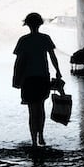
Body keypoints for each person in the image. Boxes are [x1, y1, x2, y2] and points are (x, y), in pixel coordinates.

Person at [12, 12, 62, 147]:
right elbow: (53, 57)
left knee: (32, 111)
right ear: (40, 23)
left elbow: (18, 62)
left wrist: (15, 80)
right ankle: (41, 137)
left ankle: (33, 140)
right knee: (40, 108)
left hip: (28, 80)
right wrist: (58, 72)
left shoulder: (23, 40)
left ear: (27, 24)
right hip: (42, 77)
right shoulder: (45, 38)